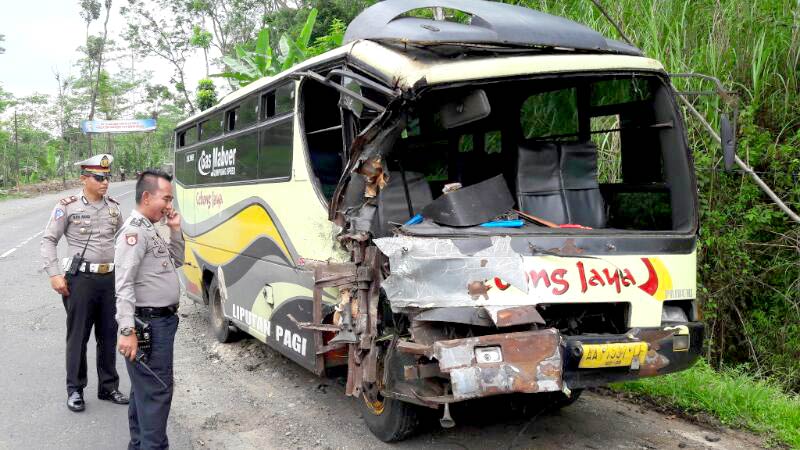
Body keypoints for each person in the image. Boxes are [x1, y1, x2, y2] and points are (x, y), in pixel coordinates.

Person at [40, 153, 129, 412]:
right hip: (80, 281)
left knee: (109, 335)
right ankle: (75, 389)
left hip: (110, 279)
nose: (105, 182)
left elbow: (124, 241)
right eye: (99, 177)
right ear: (84, 179)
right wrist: (54, 273)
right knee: (78, 337)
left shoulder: (114, 207)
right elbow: (48, 240)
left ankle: (108, 386)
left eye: (108, 177)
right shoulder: (67, 206)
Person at [115, 169, 184, 449]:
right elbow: (123, 284)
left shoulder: (148, 228)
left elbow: (177, 260)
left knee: (144, 395)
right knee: (156, 393)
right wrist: (127, 330)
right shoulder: (134, 232)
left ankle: (139, 445)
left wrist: (176, 229)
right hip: (149, 327)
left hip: (159, 324)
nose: (170, 205)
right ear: (146, 196)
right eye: (166, 198)